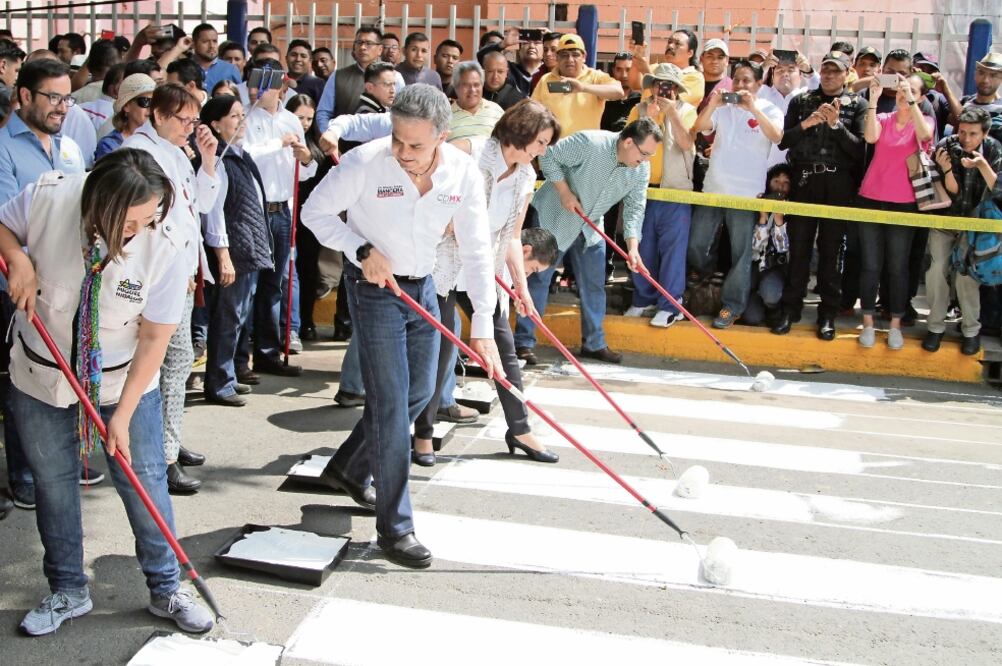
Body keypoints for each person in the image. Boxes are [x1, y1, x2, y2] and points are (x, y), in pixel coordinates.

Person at [0, 148, 215, 635]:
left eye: (148, 217)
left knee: (144, 478)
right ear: (96, 203)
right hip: (42, 372)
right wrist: (17, 259)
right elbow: (4, 227)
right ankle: (68, 590)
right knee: (54, 483)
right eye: (128, 220)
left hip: (123, 378)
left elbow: (156, 336)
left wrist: (123, 412)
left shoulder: (166, 242)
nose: (138, 229)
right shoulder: (50, 197)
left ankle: (166, 587)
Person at [301, 84, 503, 569]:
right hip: (374, 287)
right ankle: (396, 528)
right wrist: (361, 250)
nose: (404, 153)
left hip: (424, 285)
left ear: (442, 136)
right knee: (392, 408)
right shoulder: (365, 162)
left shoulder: (462, 173)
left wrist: (485, 327)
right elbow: (315, 212)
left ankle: (350, 467)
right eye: (397, 140)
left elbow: (477, 250)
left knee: (419, 394)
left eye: (416, 145)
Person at [414, 102, 562, 466]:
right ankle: (422, 434)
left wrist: (521, 289)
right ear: (522, 133)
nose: (543, 151)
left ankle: (520, 427)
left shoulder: (526, 175)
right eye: (541, 142)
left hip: (483, 269)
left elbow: (512, 235)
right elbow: (424, 174)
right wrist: (442, 215)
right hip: (444, 265)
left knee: (503, 350)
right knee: (440, 352)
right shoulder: (472, 151)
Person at [0, 58, 90, 509]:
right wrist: (22, 264)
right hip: (14, 288)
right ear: (24, 97)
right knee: (20, 379)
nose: (61, 107)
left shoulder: (71, 149)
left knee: (59, 376)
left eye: (67, 98)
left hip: (63, 290)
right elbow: (4, 221)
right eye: (52, 97)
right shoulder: (3, 148)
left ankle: (61, 465)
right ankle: (24, 476)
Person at [121, 83, 219, 494]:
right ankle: (162, 453)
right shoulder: (136, 154)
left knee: (175, 362)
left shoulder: (176, 152)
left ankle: (169, 441)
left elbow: (199, 207)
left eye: (194, 120)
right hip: (151, 276)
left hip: (176, 271)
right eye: (183, 120)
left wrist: (209, 162)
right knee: (170, 360)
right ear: (157, 115)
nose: (189, 128)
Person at [514, 118, 661, 365]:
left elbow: (636, 207)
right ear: (628, 142)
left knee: (594, 283)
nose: (645, 160)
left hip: (591, 226)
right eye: (644, 153)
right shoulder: (590, 142)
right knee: (538, 279)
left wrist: (633, 248)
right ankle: (522, 343)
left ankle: (594, 344)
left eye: (650, 156)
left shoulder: (640, 168)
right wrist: (564, 192)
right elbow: (548, 156)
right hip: (554, 217)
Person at [772, 51, 866, 340]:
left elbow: (860, 151)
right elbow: (783, 140)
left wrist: (836, 127)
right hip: (804, 178)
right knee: (799, 249)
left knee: (831, 251)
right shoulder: (801, 100)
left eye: (835, 71)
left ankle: (828, 313)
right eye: (825, 70)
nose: (828, 76)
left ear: (847, 73)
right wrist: (807, 124)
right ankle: (790, 308)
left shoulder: (857, 104)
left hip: (838, 182)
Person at [687, 59, 784, 329]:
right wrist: (713, 104)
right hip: (714, 189)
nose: (741, 85)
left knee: (741, 254)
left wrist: (752, 108)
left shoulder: (769, 108)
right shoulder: (722, 106)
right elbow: (699, 127)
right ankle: (709, 274)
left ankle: (732, 306)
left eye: (747, 81)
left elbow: (777, 136)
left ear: (759, 84)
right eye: (737, 80)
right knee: (696, 243)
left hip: (747, 194)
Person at [240, 60, 317, 376]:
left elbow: (304, 172)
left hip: (282, 210)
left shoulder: (290, 120)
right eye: (265, 83)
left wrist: (306, 158)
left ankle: (268, 353)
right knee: (249, 287)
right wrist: (277, 145)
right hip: (253, 211)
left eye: (276, 84)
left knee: (275, 284)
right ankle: (239, 356)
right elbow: (244, 157)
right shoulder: (244, 116)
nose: (273, 90)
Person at [200, 95, 274, 406]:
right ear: (215, 125)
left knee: (239, 318)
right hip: (234, 254)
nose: (241, 121)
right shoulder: (218, 161)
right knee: (227, 319)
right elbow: (214, 213)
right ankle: (218, 383)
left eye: (243, 115)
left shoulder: (241, 156)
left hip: (248, 250)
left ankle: (228, 375)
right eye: (233, 116)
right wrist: (223, 255)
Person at [856, 74, 934, 350]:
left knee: (898, 266)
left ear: (921, 97)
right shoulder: (885, 117)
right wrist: (874, 99)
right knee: (871, 264)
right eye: (901, 89)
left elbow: (925, 136)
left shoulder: (925, 121)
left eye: (911, 90)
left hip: (904, 202)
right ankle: (866, 321)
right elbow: (870, 136)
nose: (903, 93)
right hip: (871, 198)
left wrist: (911, 102)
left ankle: (895, 325)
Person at [623, 63, 697, 328]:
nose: (662, 89)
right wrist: (651, 119)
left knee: (672, 251)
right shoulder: (639, 109)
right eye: (658, 84)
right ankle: (644, 299)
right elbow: (630, 145)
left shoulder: (687, 110)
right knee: (644, 247)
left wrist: (671, 113)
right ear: (652, 86)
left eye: (668, 85)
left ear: (676, 89)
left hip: (675, 192)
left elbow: (687, 143)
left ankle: (671, 304)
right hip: (642, 189)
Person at [925, 107, 1001, 354]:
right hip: (946, 220)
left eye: (973, 134)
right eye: (962, 132)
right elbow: (949, 193)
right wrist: (947, 169)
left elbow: (999, 191)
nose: (966, 138)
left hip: (976, 226)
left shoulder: (994, 150)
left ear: (985, 134)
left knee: (967, 277)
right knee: (937, 271)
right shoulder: (946, 146)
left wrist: (981, 166)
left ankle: (971, 331)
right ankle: (935, 328)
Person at [286, 94, 328, 343]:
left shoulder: (316, 145)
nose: (304, 123)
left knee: (308, 269)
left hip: (310, 217)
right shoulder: (283, 142)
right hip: (287, 211)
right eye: (299, 117)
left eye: (309, 119)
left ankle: (305, 321)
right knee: (286, 271)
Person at [316, 26, 404, 136]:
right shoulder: (338, 76)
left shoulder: (395, 78)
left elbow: (402, 115)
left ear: (380, 49)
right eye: (359, 42)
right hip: (343, 146)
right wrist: (330, 137)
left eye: (368, 43)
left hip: (381, 146)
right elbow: (323, 113)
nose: (363, 47)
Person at [532, 34, 625, 136]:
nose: (570, 60)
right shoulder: (546, 80)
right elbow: (533, 112)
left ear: (584, 57)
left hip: (586, 148)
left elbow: (618, 92)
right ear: (557, 58)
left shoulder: (595, 77)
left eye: (575, 55)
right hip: (555, 148)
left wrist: (583, 88)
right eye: (564, 55)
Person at [743, 165, 792, 327]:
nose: (780, 186)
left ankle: (774, 310)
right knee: (752, 318)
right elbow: (754, 249)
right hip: (755, 267)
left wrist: (779, 220)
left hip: (776, 269)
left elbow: (783, 249)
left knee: (770, 293)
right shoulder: (758, 202)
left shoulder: (796, 210)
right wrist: (763, 219)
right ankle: (733, 310)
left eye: (786, 183)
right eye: (776, 181)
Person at [94, 73, 155, 161]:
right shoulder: (109, 145)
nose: (151, 108)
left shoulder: (161, 140)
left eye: (154, 102)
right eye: (145, 101)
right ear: (126, 106)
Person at [448, 60, 504, 142]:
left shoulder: (497, 111)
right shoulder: (446, 117)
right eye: (466, 85)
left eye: (476, 85)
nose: (472, 90)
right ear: (456, 87)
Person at [956, 52, 1002, 144]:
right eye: (981, 73)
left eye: (993, 75)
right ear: (975, 74)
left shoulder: (1000, 109)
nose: (985, 80)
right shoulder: (964, 103)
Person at [190, 23, 240, 93]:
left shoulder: (231, 69)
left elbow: (240, 99)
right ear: (193, 44)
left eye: (214, 41)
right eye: (205, 42)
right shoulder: (183, 68)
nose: (212, 46)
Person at [600, 51, 642, 133]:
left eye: (628, 70)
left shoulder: (641, 99)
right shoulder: (603, 100)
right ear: (613, 70)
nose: (624, 75)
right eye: (619, 69)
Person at [286, 39, 325, 104]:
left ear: (310, 61)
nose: (298, 59)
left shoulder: (319, 85)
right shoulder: (278, 82)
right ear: (286, 58)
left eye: (303, 56)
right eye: (293, 55)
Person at [508, 30, 543, 96]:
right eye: (526, 43)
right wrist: (503, 44)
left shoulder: (549, 71)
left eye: (536, 43)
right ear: (519, 49)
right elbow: (486, 58)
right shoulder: (510, 69)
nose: (532, 46)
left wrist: (551, 38)